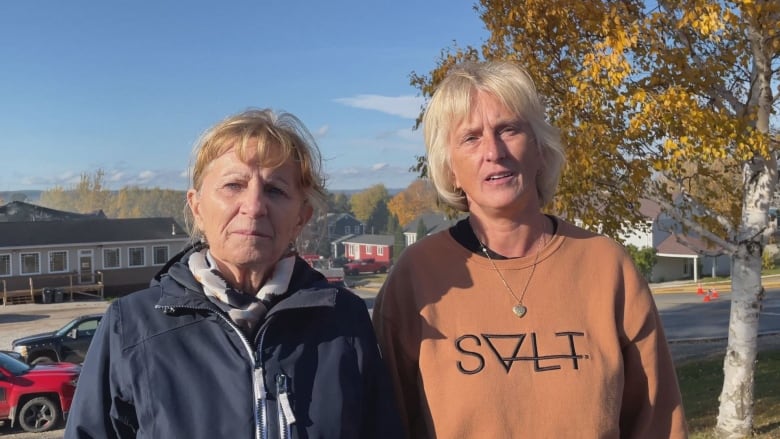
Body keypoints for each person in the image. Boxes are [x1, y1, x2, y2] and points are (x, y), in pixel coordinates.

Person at [372, 61, 688, 438]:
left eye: (509, 129)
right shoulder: (417, 277)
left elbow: (658, 424)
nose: (494, 151)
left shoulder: (606, 266)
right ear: (450, 168)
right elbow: (386, 424)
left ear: (539, 148)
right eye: (470, 138)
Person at [65, 109, 403, 439]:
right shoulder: (131, 326)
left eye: (275, 190)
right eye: (233, 185)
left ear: (302, 216)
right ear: (197, 207)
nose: (254, 206)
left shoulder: (344, 321)